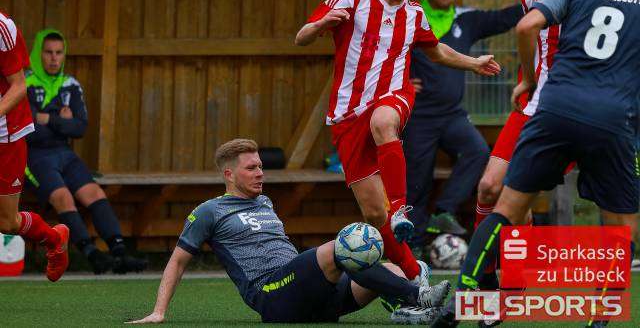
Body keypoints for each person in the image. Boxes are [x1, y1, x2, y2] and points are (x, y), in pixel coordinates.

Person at [433, 0, 640, 328]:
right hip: (545, 109)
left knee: (516, 202)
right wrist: (528, 82)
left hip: (561, 109)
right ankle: (491, 286)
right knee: (490, 188)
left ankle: (508, 287)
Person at [294, 0, 500, 287]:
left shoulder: (415, 14)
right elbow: (301, 37)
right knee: (376, 214)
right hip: (347, 115)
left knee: (383, 121)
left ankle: (401, 208)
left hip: (394, 96)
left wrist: (473, 63)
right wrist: (319, 26)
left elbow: (437, 51)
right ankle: (415, 278)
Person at [128, 139, 451, 324]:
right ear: (229, 174)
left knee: (391, 268)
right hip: (273, 296)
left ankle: (408, 310)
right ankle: (417, 296)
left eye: (260, 166)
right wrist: (159, 312)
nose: (260, 173)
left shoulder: (265, 201)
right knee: (345, 244)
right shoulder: (209, 211)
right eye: (251, 168)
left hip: (315, 299)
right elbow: (177, 261)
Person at [471, 0, 576, 289]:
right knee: (489, 187)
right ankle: (486, 278)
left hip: (572, 114)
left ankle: (517, 279)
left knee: (522, 197)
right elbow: (536, 48)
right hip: (531, 109)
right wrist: (526, 80)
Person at [403, 0, 523, 251]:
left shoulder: (465, 20)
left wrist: (537, 0)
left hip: (452, 115)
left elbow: (502, 19)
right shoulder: (411, 16)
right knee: (417, 184)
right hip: (419, 117)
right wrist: (401, 83)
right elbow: (385, 51)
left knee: (478, 151)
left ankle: (444, 211)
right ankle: (413, 248)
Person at [25, 29, 147, 274]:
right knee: (63, 197)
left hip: (65, 152)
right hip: (33, 156)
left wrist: (47, 118)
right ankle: (92, 255)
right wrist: (62, 120)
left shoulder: (70, 84)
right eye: (48, 52)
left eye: (59, 53)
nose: (54, 58)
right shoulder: (24, 83)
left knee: (94, 193)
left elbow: (79, 128)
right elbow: (29, 130)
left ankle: (119, 254)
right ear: (38, 54)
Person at [0, 14, 68, 282]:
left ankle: (54, 239)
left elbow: (19, 86)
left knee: (7, 222)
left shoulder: (3, 28)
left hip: (7, 134)